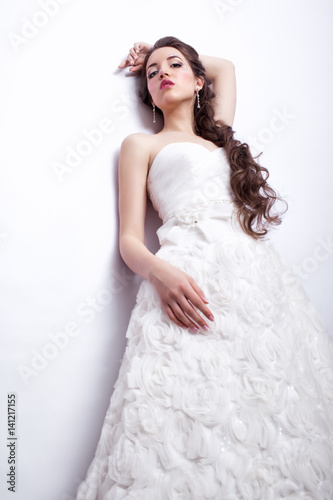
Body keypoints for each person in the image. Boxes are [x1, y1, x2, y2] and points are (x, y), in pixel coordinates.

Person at [75, 36, 333, 499]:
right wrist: (160, 272)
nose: (161, 75)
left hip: (254, 278)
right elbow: (130, 240)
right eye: (152, 74)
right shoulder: (140, 144)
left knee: (267, 398)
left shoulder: (218, 134)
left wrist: (152, 46)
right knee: (184, 406)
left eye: (174, 67)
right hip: (186, 274)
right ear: (148, 94)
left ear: (198, 82)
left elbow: (226, 66)